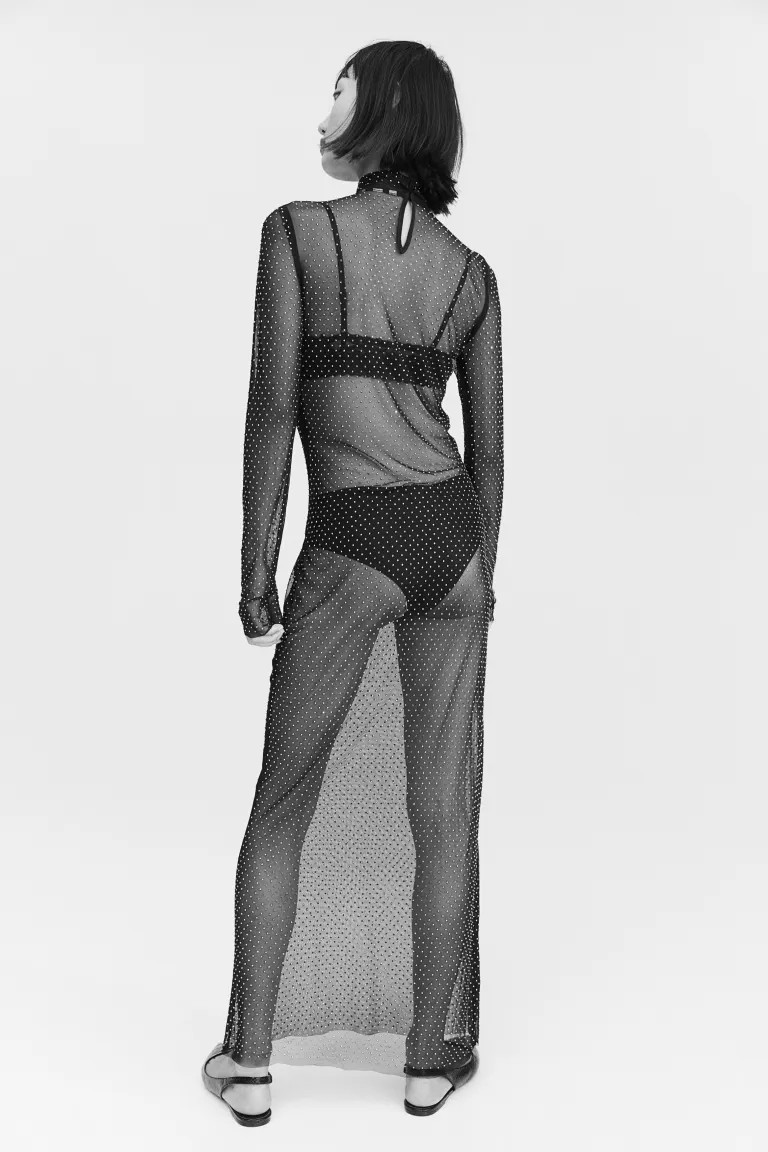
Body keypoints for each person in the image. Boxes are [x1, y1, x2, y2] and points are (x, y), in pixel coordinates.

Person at [201, 39, 504, 1124]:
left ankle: (248, 1063)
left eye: (338, 87)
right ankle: (428, 1060)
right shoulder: (471, 275)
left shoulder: (299, 235)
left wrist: (256, 568)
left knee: (283, 801)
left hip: (352, 540)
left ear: (380, 111)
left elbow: (272, 408)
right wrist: (479, 576)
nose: (322, 106)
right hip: (453, 545)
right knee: (444, 812)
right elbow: (490, 452)